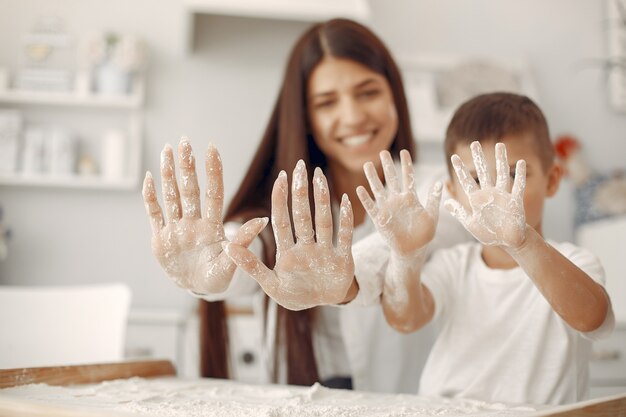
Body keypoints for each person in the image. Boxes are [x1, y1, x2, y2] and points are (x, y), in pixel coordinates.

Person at [142, 18, 469, 392]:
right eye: (327, 102)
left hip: (401, 398)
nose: (353, 116)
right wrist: (210, 271)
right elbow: (252, 245)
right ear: (305, 117)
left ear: (395, 93)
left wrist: (348, 279)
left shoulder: (438, 188)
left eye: (368, 92)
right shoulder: (284, 201)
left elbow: (400, 245)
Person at [356, 92, 615, 405]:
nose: (496, 194)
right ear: (453, 192)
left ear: (552, 180)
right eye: (476, 180)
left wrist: (522, 242)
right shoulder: (454, 265)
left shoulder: (575, 261)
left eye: (511, 175)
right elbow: (406, 319)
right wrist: (406, 257)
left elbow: (592, 319)